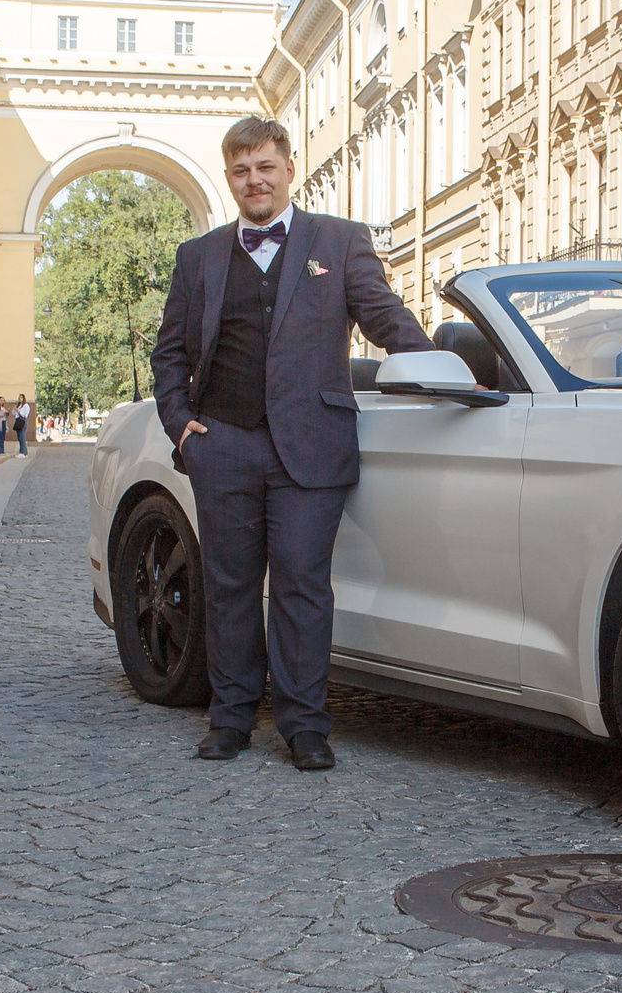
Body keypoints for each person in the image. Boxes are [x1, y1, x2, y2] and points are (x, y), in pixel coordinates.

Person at [151, 116, 432, 771]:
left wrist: (438, 363)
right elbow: (170, 354)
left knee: (303, 586)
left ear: (289, 169)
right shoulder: (198, 257)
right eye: (242, 170)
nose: (255, 180)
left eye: (266, 167)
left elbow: (382, 314)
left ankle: (305, 726)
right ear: (230, 178)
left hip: (311, 445)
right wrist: (181, 425)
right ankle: (230, 719)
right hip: (223, 444)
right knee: (229, 587)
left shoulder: (339, 240)